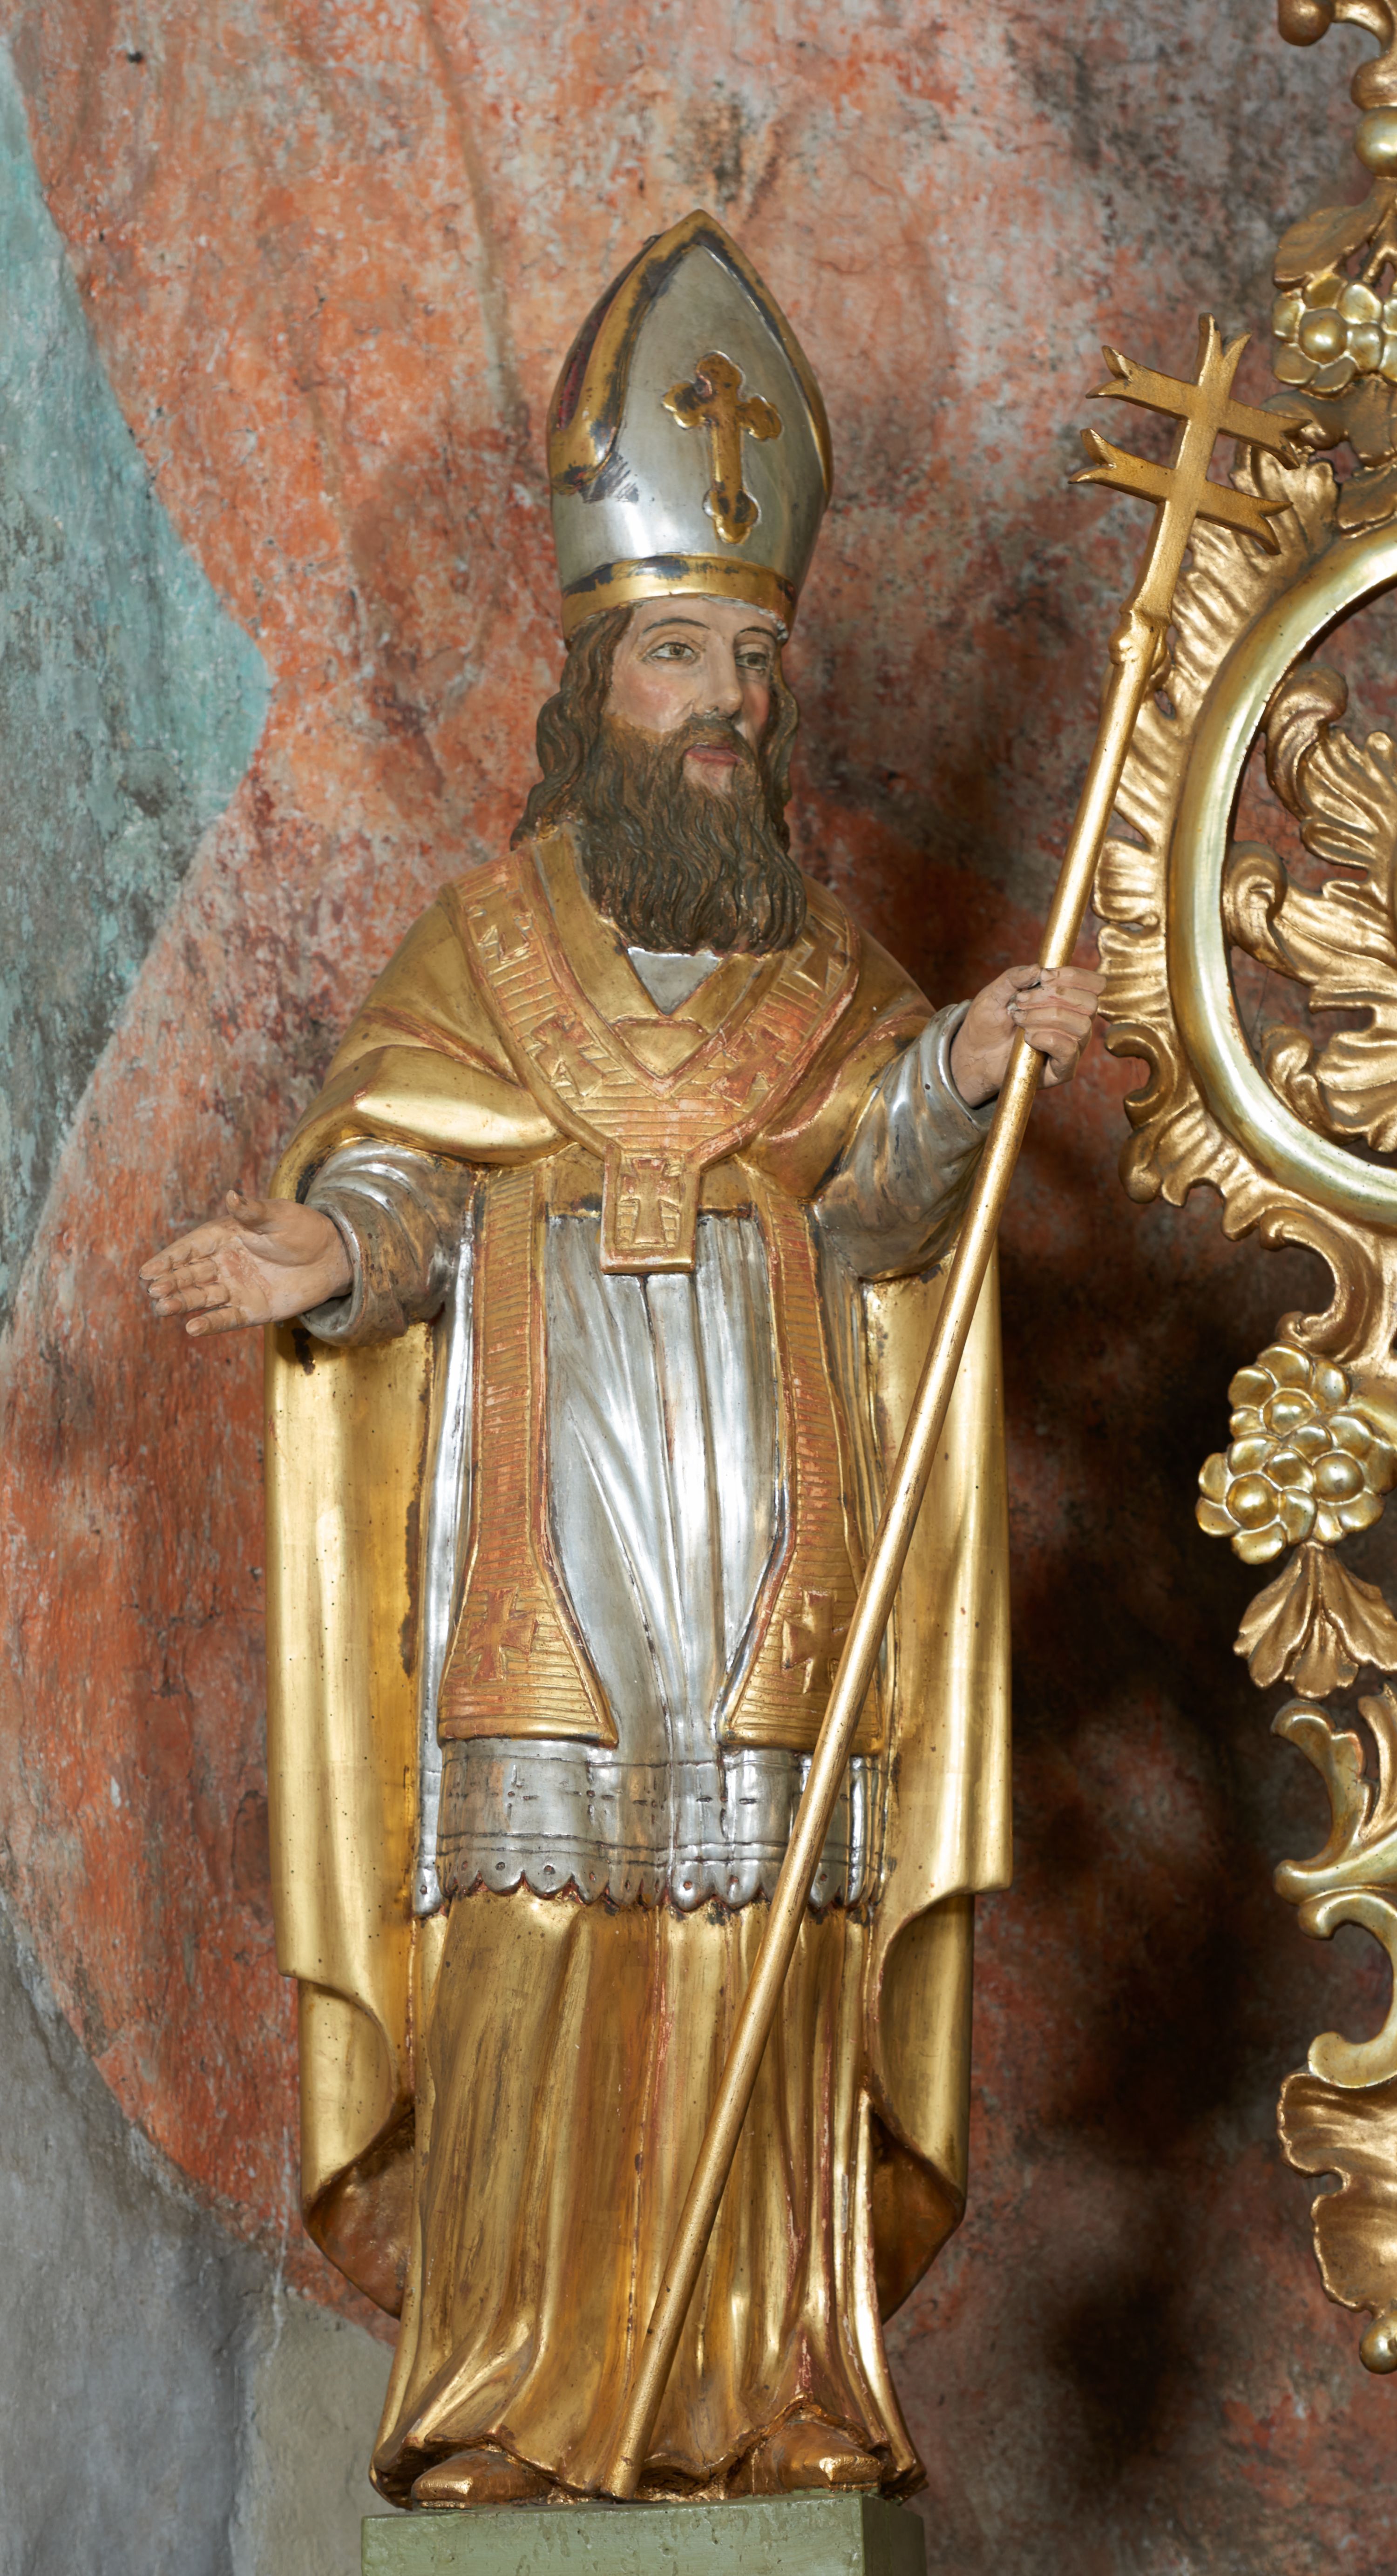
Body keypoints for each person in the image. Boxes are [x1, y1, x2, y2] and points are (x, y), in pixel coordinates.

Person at [142, 210, 1099, 2508]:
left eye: (755, 660)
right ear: (594, 684)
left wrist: (962, 1067)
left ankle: (772, 2384)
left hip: (769, 1519)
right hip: (550, 1529)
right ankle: (503, 2388)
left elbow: (883, 1210)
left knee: (769, 1931)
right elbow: (400, 1181)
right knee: (544, 1928)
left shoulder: (833, 975)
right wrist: (322, 1252)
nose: (728, 702)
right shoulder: (478, 952)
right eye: (683, 654)